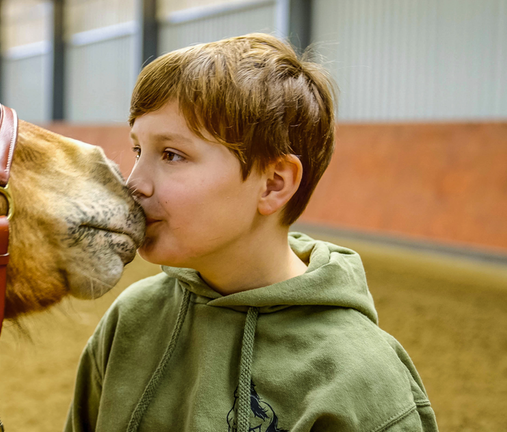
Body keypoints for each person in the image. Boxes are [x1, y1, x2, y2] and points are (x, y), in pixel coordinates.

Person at [64, 33, 438, 432]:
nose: (134, 183)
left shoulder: (360, 376)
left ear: (273, 184)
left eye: (172, 154)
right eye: (138, 151)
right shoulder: (131, 318)